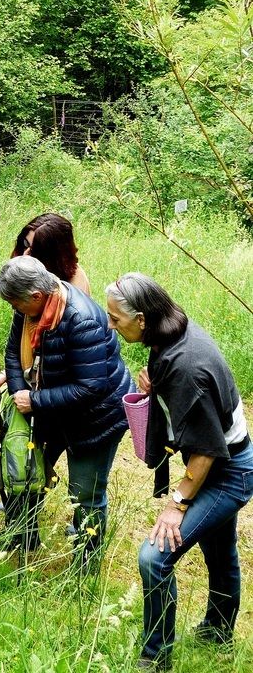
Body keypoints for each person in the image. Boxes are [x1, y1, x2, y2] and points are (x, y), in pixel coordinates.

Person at [105, 274, 253, 670]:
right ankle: (218, 632)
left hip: (227, 471)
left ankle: (155, 659)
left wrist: (178, 503)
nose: (110, 326)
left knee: (154, 557)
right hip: (224, 460)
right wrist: (158, 389)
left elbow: (205, 452)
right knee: (221, 552)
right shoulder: (171, 334)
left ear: (141, 318)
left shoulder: (186, 366)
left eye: (115, 319)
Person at [0, 256, 132, 561]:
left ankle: (85, 564)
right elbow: (13, 354)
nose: (14, 311)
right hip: (51, 409)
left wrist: (36, 401)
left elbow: (90, 387)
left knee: (85, 494)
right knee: (25, 471)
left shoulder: (80, 319)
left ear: (36, 295)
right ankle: (21, 542)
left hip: (96, 419)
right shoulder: (29, 310)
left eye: (16, 304)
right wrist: (20, 392)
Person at [0, 213, 91, 399]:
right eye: (24, 245)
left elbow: (58, 361)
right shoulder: (29, 281)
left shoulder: (73, 293)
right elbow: (17, 346)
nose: (25, 254)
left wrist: (32, 400)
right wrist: (11, 380)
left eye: (34, 250)